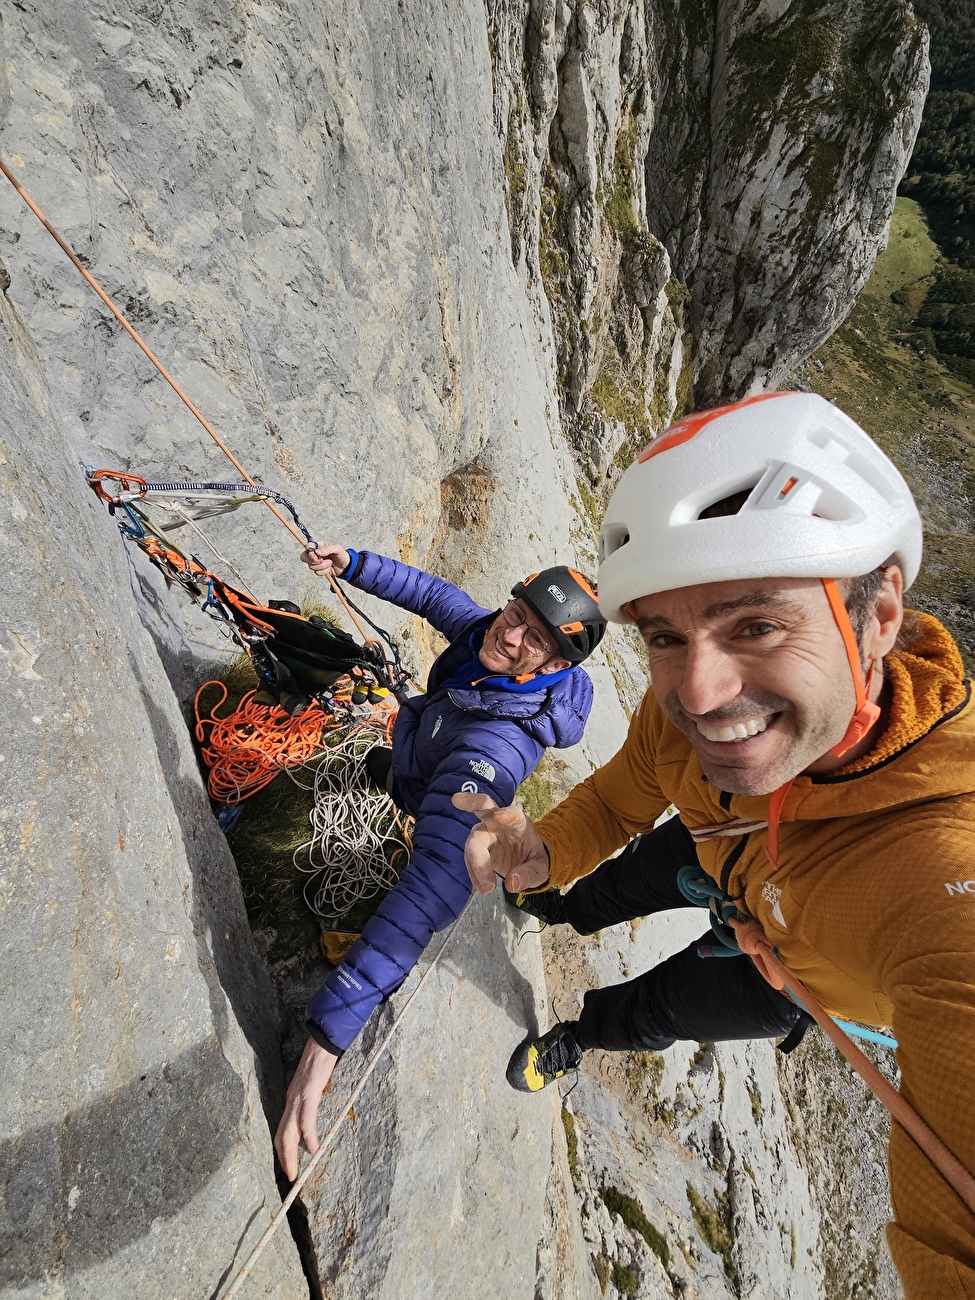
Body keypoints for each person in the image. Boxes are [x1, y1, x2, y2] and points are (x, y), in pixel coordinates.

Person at [455, 392, 975, 1297]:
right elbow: (622, 799)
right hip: (723, 853)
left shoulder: (942, 866)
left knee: (659, 1012)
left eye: (755, 624)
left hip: (793, 978)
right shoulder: (696, 731)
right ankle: (555, 910)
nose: (698, 692)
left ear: (879, 612)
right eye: (665, 635)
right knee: (600, 890)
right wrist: (545, 852)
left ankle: (577, 1037)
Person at [274, 543, 606, 1179]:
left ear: (557, 663)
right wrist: (355, 565)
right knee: (394, 772)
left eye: (533, 639)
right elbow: (432, 595)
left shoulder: (498, 748)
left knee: (422, 842)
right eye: (514, 612)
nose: (508, 635)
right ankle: (390, 774)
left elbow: (427, 894)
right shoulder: (491, 635)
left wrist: (325, 1038)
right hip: (421, 750)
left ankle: (395, 781)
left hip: (445, 768)